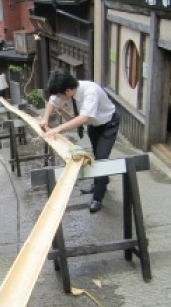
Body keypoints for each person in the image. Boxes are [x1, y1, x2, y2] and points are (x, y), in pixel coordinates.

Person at [39, 68, 120, 213]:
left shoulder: (90, 91)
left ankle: (97, 198)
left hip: (108, 124)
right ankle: (100, 183)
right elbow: (51, 101)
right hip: (93, 125)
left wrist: (57, 129)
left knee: (101, 159)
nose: (59, 98)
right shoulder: (65, 90)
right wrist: (45, 118)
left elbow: (83, 118)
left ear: (69, 90)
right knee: (96, 155)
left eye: (60, 95)